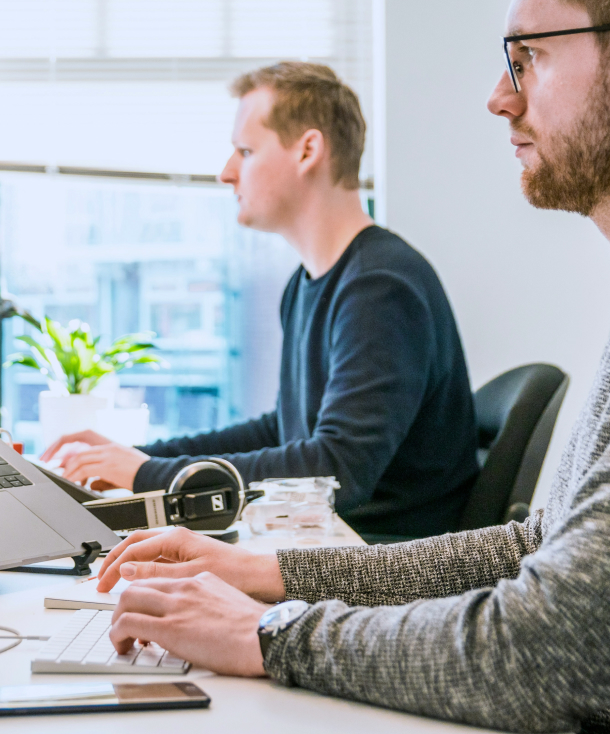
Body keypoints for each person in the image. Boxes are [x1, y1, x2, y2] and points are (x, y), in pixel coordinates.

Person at [95, 0, 610, 732]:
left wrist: (269, 632)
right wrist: (272, 575)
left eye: (526, 58)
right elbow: (537, 548)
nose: (497, 97)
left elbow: (545, 644)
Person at [43, 62, 478, 539]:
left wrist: (147, 476)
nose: (226, 173)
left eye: (245, 151)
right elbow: (284, 431)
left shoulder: (381, 288)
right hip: (330, 544)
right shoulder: (309, 283)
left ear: (308, 150)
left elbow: (337, 471)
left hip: (379, 563)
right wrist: (143, 457)